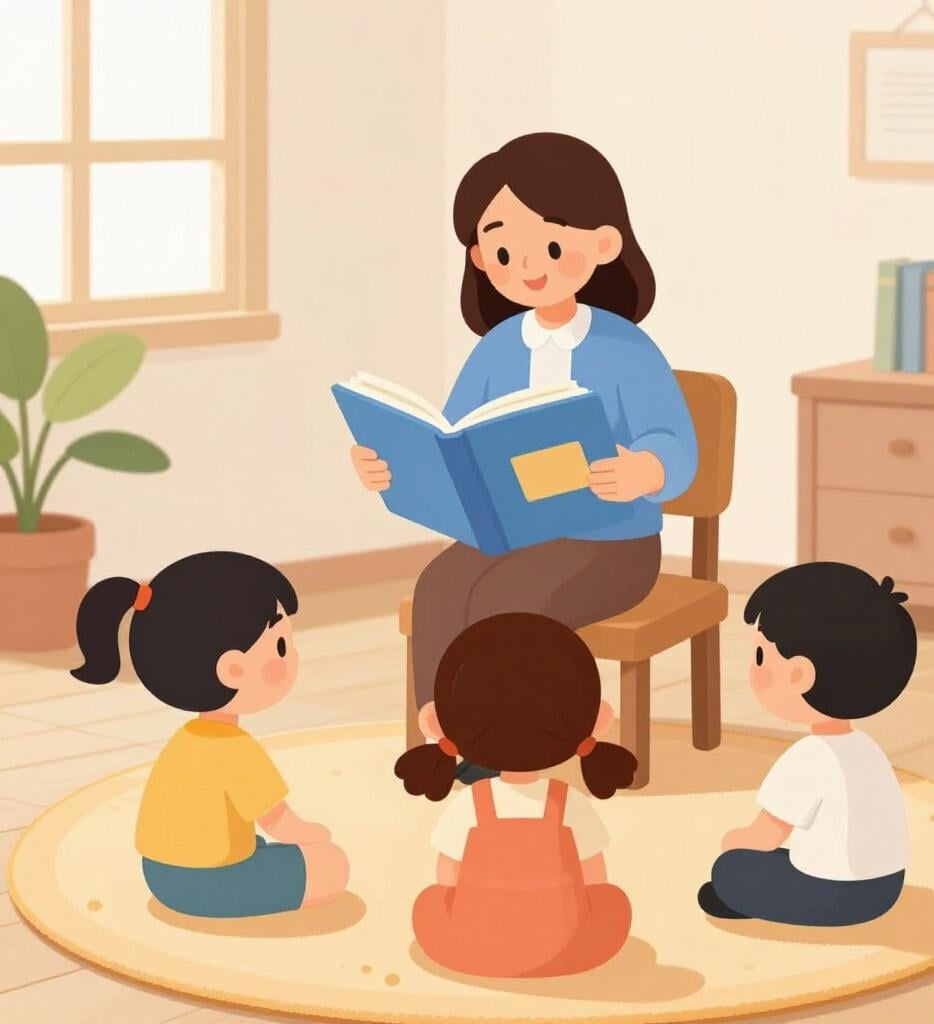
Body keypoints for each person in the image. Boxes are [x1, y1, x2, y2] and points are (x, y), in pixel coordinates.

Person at [352, 132, 698, 780]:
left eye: (551, 244)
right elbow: (453, 439)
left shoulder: (627, 349)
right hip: (512, 532)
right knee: (440, 587)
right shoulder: (499, 348)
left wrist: (642, 469)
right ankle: (445, 732)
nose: (528, 265)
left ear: (603, 243)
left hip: (613, 543)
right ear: (482, 259)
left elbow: (674, 445)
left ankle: (509, 738)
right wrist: (391, 466)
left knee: (512, 599)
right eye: (505, 249)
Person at [72, 551, 349, 918]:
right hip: (205, 882)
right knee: (332, 865)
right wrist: (314, 836)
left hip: (158, 873)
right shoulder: (232, 748)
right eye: (281, 646)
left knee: (271, 851)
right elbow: (279, 820)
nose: (292, 656)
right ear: (233, 669)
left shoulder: (188, 737)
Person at [396, 612, 635, 977]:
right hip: (562, 944)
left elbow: (447, 875)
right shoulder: (569, 803)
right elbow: (594, 879)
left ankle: (495, 950)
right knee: (613, 903)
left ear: (437, 722)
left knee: (428, 904)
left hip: (478, 944)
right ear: (597, 720)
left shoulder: (470, 805)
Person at [698, 562, 917, 926]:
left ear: (799, 674)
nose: (754, 669)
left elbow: (764, 837)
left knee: (730, 868)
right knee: (768, 862)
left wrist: (733, 841)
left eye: (760, 656)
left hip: (837, 896)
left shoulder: (809, 758)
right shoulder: (867, 749)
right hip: (887, 889)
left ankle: (743, 895)